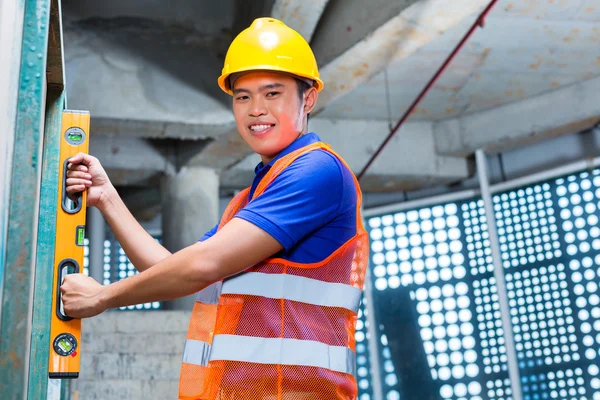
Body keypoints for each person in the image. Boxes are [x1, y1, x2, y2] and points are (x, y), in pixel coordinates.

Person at [62, 17, 369, 399]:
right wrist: (107, 197)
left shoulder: (318, 171)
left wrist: (102, 296)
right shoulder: (250, 198)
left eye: (272, 93)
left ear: (307, 98)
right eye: (243, 96)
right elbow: (171, 271)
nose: (256, 109)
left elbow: (200, 267)